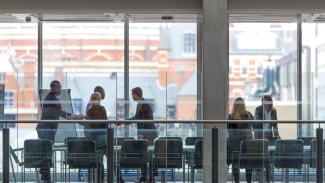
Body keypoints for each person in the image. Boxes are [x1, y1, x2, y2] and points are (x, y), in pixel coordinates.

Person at [119, 87, 158, 183]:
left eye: (132, 94)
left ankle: (149, 177)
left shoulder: (144, 105)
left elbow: (147, 121)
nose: (131, 96)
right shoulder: (140, 105)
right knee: (143, 156)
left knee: (145, 156)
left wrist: (142, 134)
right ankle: (145, 178)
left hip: (147, 135)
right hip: (146, 134)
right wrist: (123, 122)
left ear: (137, 94)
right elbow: (136, 118)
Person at [36, 80, 72, 183]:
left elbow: (57, 112)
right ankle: (46, 178)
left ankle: (45, 176)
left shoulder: (51, 97)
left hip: (46, 129)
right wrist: (72, 116)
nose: (60, 89)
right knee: (46, 152)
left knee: (46, 152)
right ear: (53, 88)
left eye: (60, 87)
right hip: (46, 129)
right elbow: (58, 112)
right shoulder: (52, 98)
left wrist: (71, 116)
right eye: (58, 87)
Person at [254, 95, 280, 183]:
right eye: (263, 101)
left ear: (270, 102)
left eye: (266, 101)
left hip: (268, 136)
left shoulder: (273, 110)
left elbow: (275, 125)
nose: (264, 103)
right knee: (259, 158)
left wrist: (277, 135)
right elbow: (256, 120)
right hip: (259, 136)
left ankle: (268, 179)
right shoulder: (258, 109)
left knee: (268, 159)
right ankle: (260, 179)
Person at [227, 97, 253, 183]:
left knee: (236, 164)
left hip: (237, 144)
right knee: (246, 164)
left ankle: (237, 182)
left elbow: (229, 132)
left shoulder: (232, 117)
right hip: (244, 144)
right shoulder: (247, 115)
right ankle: (247, 182)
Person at [85, 92, 108, 182]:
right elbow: (105, 122)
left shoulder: (90, 110)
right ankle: (102, 180)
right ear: (99, 100)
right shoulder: (102, 109)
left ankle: (97, 180)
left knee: (98, 161)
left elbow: (91, 125)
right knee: (105, 161)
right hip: (104, 137)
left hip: (96, 138)